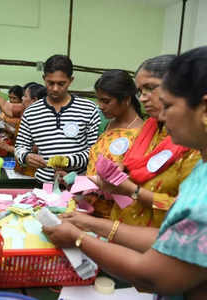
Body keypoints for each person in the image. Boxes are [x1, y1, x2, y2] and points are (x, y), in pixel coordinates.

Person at [43, 46, 207, 300]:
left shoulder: (196, 166)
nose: (159, 114)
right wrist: (91, 223)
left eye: (168, 104)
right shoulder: (198, 168)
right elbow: (169, 236)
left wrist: (78, 238)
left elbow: (154, 275)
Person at [88, 55, 199, 227]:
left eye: (150, 88)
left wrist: (132, 191)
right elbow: (136, 166)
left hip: (153, 240)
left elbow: (181, 210)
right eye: (140, 91)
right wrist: (121, 172)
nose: (142, 98)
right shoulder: (150, 128)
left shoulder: (194, 145)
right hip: (122, 227)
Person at [15, 55, 101, 183]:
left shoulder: (89, 109)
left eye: (61, 83)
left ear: (71, 80)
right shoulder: (31, 112)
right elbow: (20, 146)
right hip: (44, 186)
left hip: (79, 185)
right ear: (44, 79)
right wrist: (26, 157)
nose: (55, 88)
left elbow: (95, 151)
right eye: (50, 83)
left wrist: (68, 162)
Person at [75, 70, 144, 218]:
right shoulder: (108, 124)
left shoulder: (141, 133)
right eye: (98, 100)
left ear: (126, 99)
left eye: (106, 101)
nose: (100, 106)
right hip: (89, 207)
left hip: (116, 213)